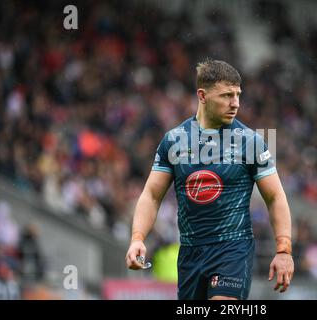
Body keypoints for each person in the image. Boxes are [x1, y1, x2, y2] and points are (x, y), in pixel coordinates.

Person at [125, 58, 294, 300]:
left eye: (237, 95)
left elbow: (275, 196)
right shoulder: (174, 140)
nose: (235, 103)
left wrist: (284, 249)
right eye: (226, 95)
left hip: (232, 249)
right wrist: (137, 239)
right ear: (202, 96)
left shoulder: (250, 142)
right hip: (190, 253)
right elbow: (151, 195)